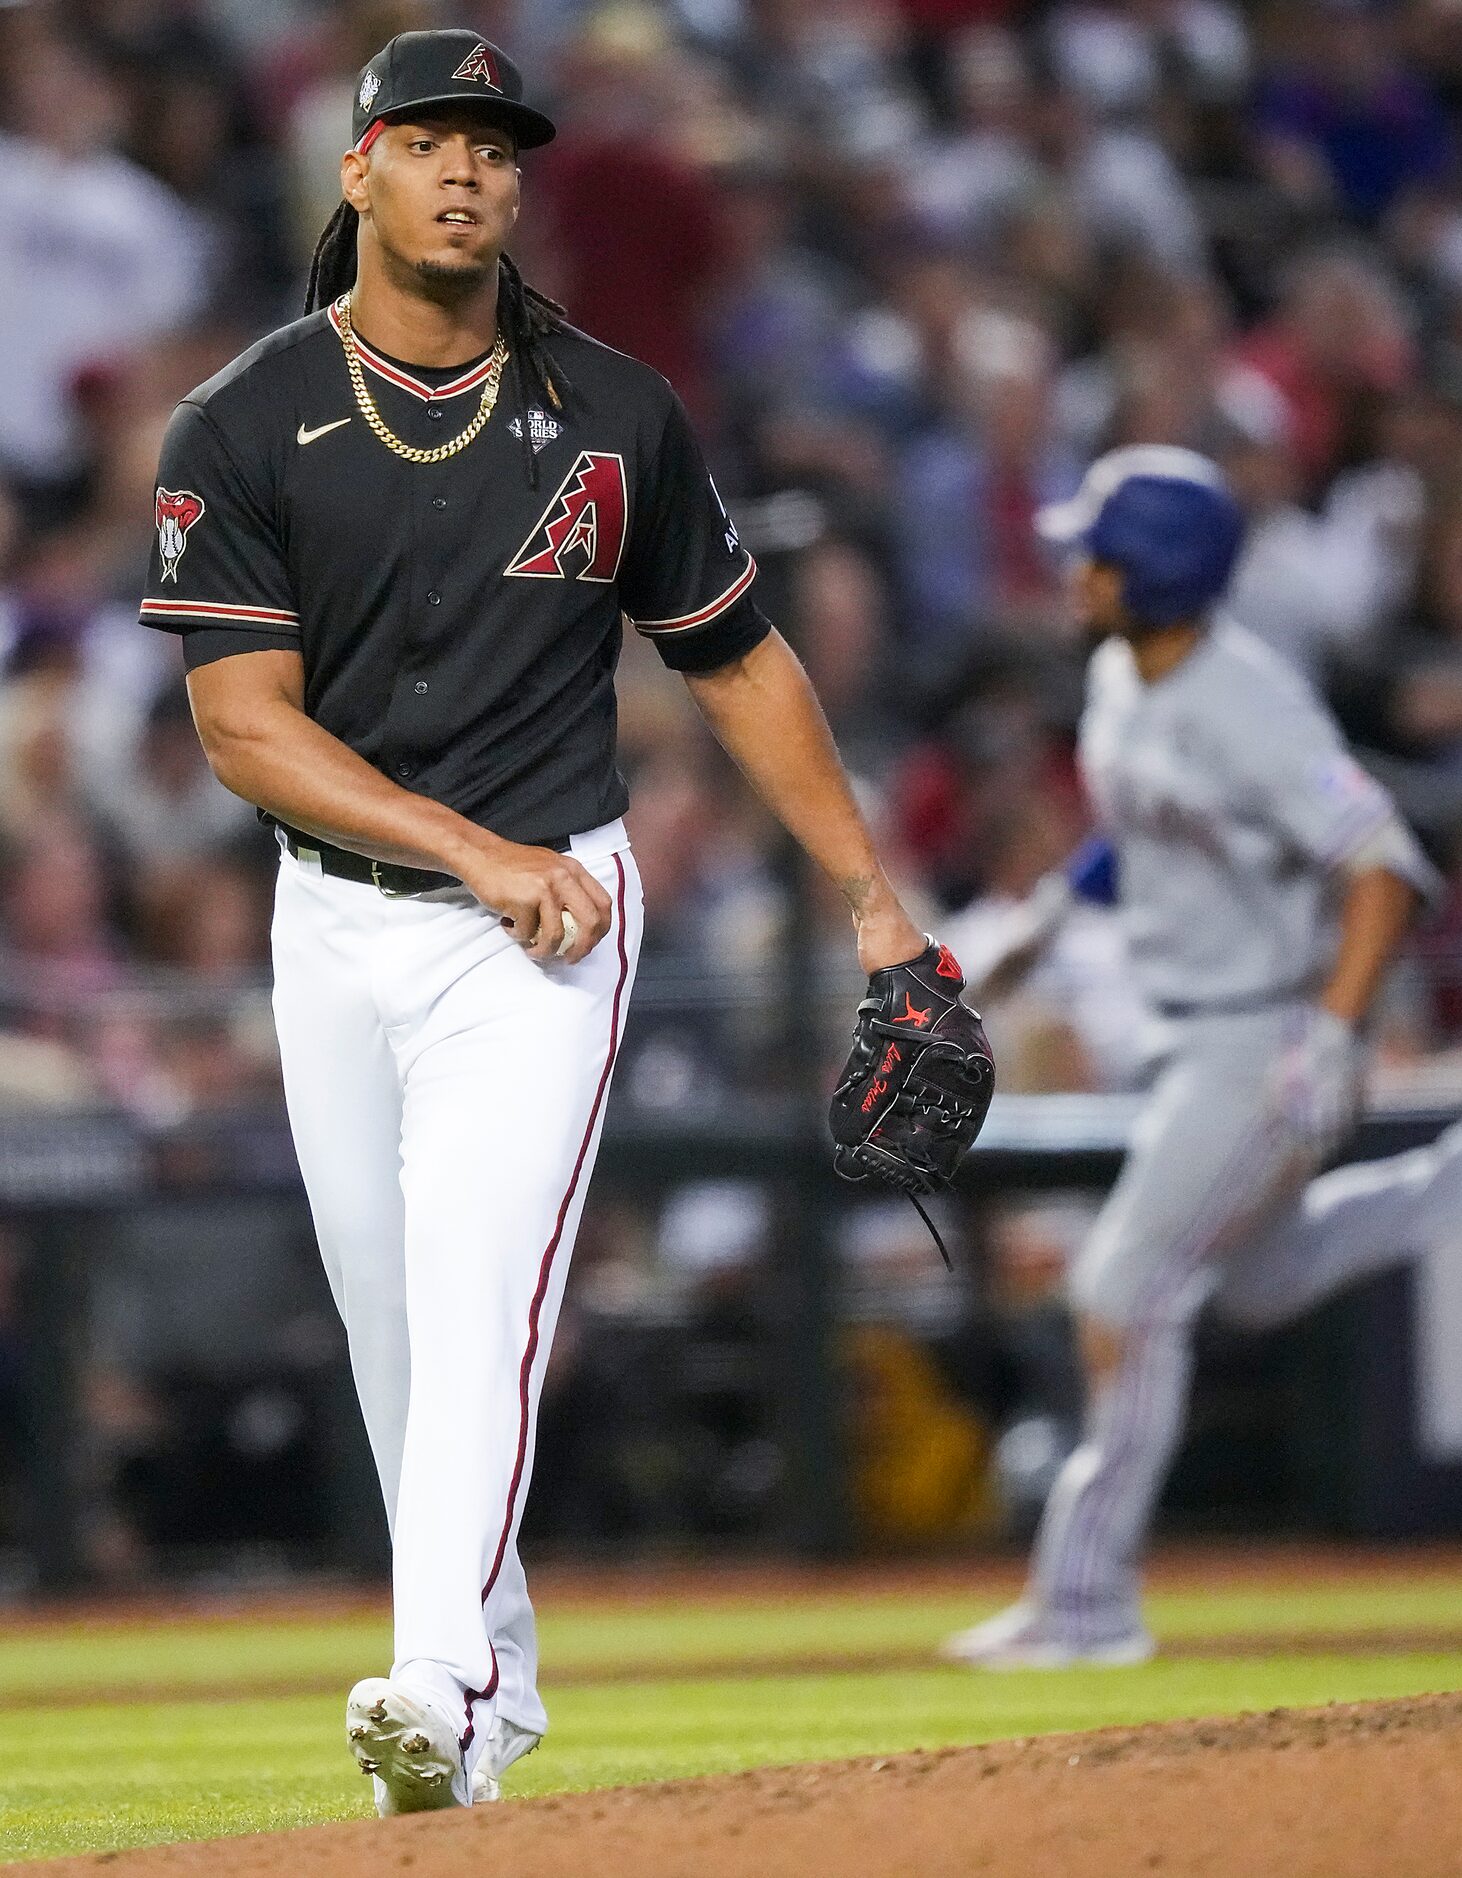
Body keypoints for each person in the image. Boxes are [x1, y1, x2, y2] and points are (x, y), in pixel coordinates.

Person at [138, 29, 932, 1812]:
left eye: (494, 143)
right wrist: (455, 845)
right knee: (398, 1341)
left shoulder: (617, 410)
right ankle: (491, 1702)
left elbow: (736, 657)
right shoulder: (244, 419)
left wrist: (874, 900)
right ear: (356, 174)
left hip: (546, 925)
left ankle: (437, 1681)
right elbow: (241, 724)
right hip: (335, 925)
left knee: (480, 1293)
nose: (467, 169)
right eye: (426, 140)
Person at [943, 445, 1462, 1669]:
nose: (1077, 570)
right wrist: (1050, 921)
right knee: (1249, 1281)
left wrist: (1336, 1031)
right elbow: (1147, 829)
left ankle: (1085, 1605)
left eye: (1101, 554)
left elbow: (1386, 864)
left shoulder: (1246, 697)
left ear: (1160, 573)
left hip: (1265, 1031)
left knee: (1123, 1289)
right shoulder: (1126, 673)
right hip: (1190, 1033)